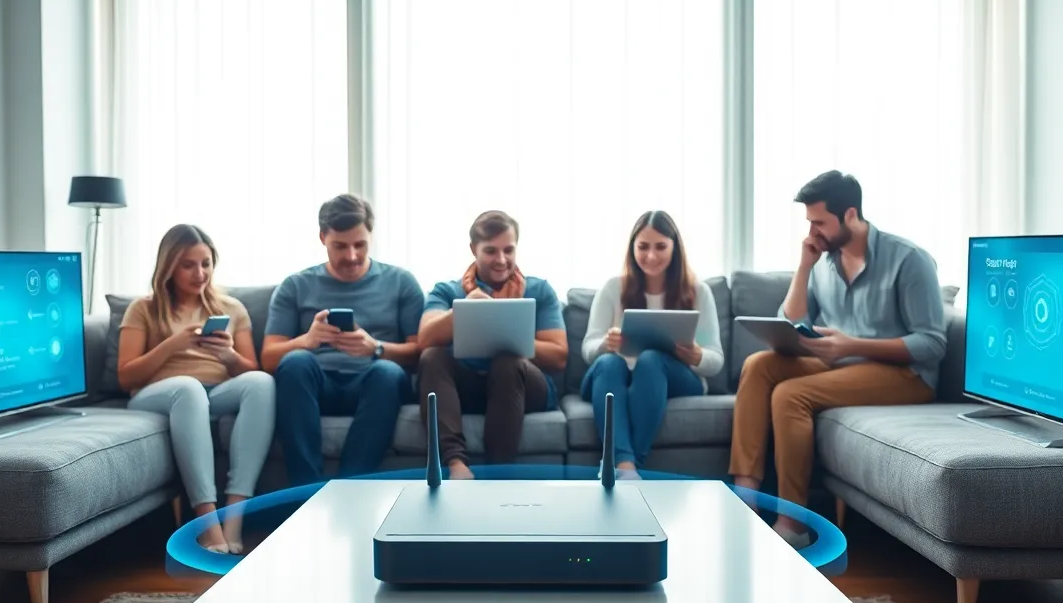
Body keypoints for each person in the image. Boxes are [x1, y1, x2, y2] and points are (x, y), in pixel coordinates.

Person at [730, 171, 945, 547]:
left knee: (790, 394)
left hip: (905, 375)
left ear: (850, 214)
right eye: (809, 222)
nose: (812, 232)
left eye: (819, 222)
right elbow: (791, 321)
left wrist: (852, 345)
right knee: (758, 365)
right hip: (843, 365)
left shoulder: (908, 259)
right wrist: (804, 267)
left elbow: (932, 344)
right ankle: (744, 502)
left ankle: (793, 525)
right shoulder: (823, 262)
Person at [117, 224, 275, 555]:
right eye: (188, 265)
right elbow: (126, 376)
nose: (200, 273)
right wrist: (172, 345)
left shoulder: (231, 308)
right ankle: (206, 525)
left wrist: (228, 356)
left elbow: (252, 368)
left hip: (213, 393)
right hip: (159, 394)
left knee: (261, 382)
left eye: (206, 264)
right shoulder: (143, 308)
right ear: (169, 267)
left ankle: (234, 519)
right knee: (188, 389)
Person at [263, 194, 424, 485]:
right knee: (296, 362)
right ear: (322, 238)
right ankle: (306, 492)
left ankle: (351, 489)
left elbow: (419, 352)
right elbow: (269, 358)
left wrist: (375, 348)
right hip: (315, 386)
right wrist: (306, 340)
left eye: (360, 245)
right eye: (340, 246)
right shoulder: (295, 286)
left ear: (371, 237)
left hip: (375, 386)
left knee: (387, 372)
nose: (351, 256)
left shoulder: (401, 282)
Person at [416, 211, 568, 480]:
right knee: (432, 357)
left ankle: (498, 477)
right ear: (473, 249)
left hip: (523, 386)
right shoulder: (447, 291)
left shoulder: (539, 290)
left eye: (509, 250)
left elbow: (559, 356)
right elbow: (425, 340)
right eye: (490, 251)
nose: (501, 259)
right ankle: (456, 464)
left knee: (507, 363)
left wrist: (510, 337)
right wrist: (462, 312)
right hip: (467, 386)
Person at [580, 211, 724, 478]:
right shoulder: (613, 288)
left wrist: (696, 355)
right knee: (609, 362)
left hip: (673, 376)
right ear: (632, 248)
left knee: (650, 359)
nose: (651, 256)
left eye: (660, 247)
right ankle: (626, 467)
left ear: (674, 248)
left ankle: (627, 462)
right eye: (643, 247)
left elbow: (715, 361)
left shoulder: (698, 291)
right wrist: (605, 344)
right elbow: (588, 350)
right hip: (616, 375)